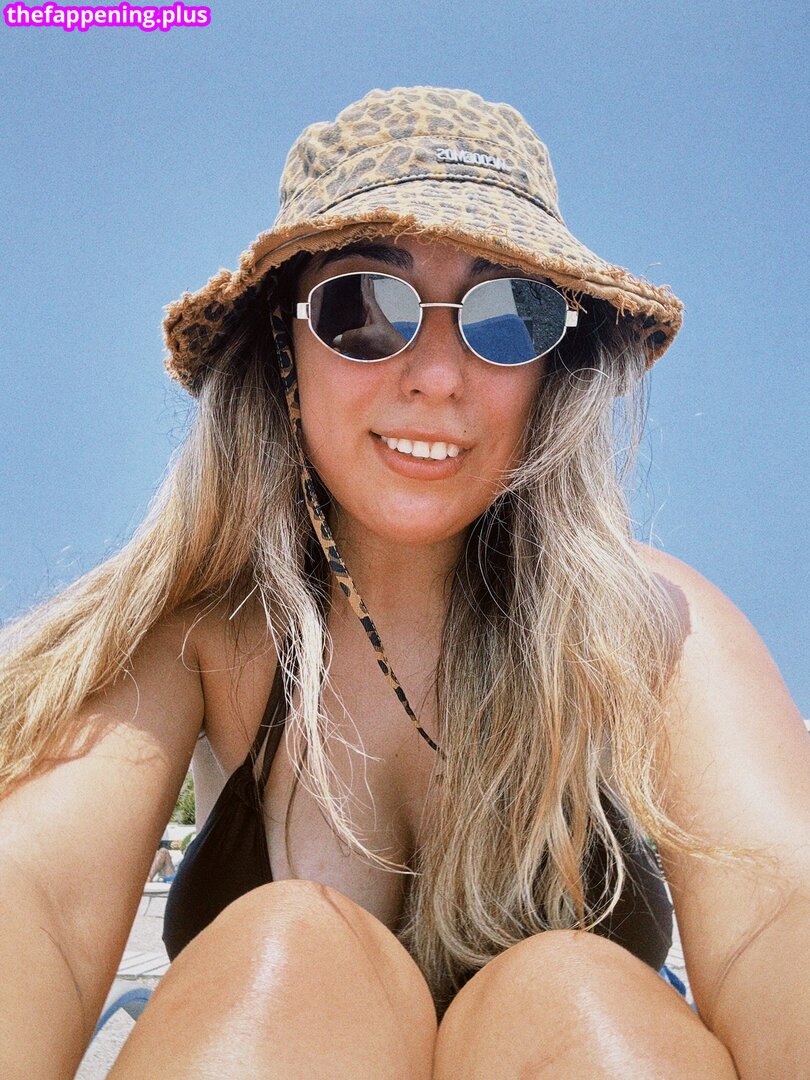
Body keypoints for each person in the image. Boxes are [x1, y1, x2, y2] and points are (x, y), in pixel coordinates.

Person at [0, 85, 807, 1079]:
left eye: (508, 316)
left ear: (555, 366)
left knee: (573, 990)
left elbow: (782, 907)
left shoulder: (652, 627)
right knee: (289, 953)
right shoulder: (202, 637)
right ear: (283, 350)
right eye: (363, 307)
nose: (436, 374)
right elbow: (32, 898)